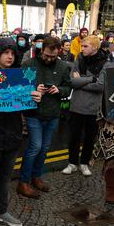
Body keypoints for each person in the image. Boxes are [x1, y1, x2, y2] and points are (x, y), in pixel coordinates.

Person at [0, 38, 42, 226]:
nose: (10, 57)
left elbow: (28, 112)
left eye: (13, 53)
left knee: (5, 178)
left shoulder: (21, 76)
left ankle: (1, 211)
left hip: (13, 136)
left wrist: (34, 100)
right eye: (6, 52)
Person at [17, 37, 71, 198]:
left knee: (45, 147)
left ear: (59, 52)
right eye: (47, 55)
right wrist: (33, 89)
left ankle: (36, 176)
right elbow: (19, 89)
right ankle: (23, 182)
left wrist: (59, 90)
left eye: (53, 56)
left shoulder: (62, 66)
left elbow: (68, 87)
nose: (49, 59)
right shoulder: (29, 64)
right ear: (41, 49)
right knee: (35, 147)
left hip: (53, 113)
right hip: (33, 113)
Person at [62, 35, 107, 176]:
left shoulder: (105, 63)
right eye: (82, 46)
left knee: (89, 137)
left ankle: (84, 163)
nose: (82, 48)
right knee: (74, 136)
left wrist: (81, 80)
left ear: (94, 47)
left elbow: (100, 86)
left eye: (85, 46)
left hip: (93, 107)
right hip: (77, 105)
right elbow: (72, 82)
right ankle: (72, 163)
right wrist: (90, 79)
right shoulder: (78, 59)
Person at [93, 61, 114, 203]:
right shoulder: (110, 68)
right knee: (112, 159)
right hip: (112, 121)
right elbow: (103, 92)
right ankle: (111, 188)